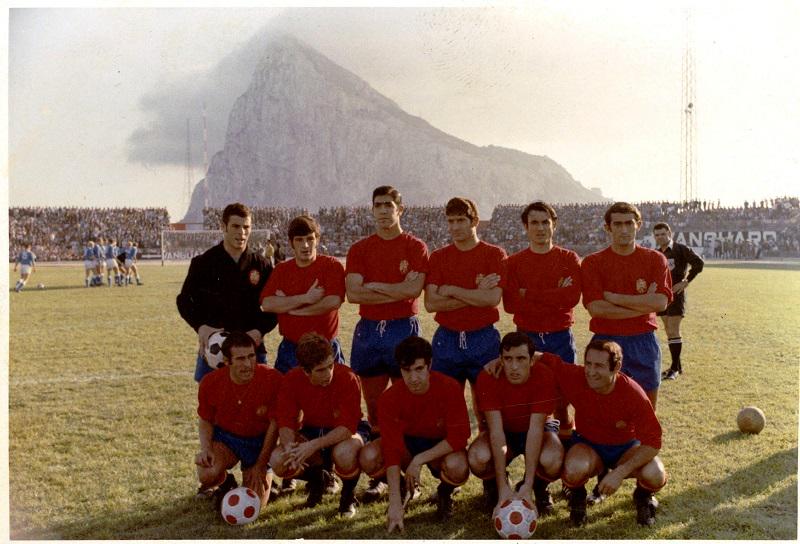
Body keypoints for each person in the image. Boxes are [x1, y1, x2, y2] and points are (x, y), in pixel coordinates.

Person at [345, 186, 429, 501]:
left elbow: (413, 291)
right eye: (377, 205)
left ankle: (411, 477)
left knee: (407, 403)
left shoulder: (415, 246)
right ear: (372, 210)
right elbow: (354, 294)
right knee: (376, 407)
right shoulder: (360, 248)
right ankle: (381, 477)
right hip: (369, 331)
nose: (382, 210)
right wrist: (395, 289)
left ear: (400, 209)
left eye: (388, 205)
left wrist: (376, 286)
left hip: (402, 328)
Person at [539, 340, 667, 527]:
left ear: (616, 367)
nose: (591, 371)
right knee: (574, 468)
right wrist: (497, 362)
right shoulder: (576, 376)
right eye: (588, 363)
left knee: (656, 473)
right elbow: (544, 359)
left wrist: (620, 472)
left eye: (599, 365)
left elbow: (654, 441)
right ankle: (578, 498)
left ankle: (643, 496)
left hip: (625, 449)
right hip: (588, 446)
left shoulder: (633, 393)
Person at [358, 336, 471, 531]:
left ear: (430, 365)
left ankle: (445, 492)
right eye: (406, 371)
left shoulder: (449, 387)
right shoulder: (390, 398)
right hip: (407, 446)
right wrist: (393, 502)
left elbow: (459, 436)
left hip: (438, 446)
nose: (413, 378)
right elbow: (392, 450)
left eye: (419, 369)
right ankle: (403, 488)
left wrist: (419, 460)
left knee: (458, 466)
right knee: (369, 456)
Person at [580, 202, 672, 409]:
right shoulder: (593, 262)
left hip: (643, 340)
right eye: (618, 224)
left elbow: (660, 302)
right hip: (604, 341)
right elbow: (596, 309)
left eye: (629, 223)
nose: (624, 229)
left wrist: (613, 297)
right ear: (607, 228)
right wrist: (643, 306)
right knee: (603, 410)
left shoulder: (655, 259)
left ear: (638, 225)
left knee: (646, 410)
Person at [503, 201, 582, 440]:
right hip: (527, 337)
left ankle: (566, 451)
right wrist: (553, 294)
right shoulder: (514, 263)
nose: (540, 228)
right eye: (534, 223)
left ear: (554, 225)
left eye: (545, 222)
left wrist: (530, 294)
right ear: (526, 227)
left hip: (560, 337)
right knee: (531, 404)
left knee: (564, 405)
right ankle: (539, 461)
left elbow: (570, 298)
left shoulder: (568, 258)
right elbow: (511, 304)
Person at [269, 333, 369, 517]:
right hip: (313, 429)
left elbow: (347, 428)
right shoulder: (291, 379)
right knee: (278, 460)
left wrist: (312, 445)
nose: (329, 373)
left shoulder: (348, 377)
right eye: (321, 370)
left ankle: (347, 496)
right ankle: (319, 479)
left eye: (330, 366)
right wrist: (290, 446)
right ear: (305, 371)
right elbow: (286, 421)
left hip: (346, 431)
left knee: (344, 454)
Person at [177, 202, 278, 384]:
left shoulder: (261, 265)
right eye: (236, 226)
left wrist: (260, 330)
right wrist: (200, 326)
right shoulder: (204, 262)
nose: (242, 232)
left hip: (252, 349)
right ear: (223, 227)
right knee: (213, 410)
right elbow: (184, 300)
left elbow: (275, 306)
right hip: (215, 350)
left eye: (246, 227)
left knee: (257, 407)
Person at [468, 332, 563, 515]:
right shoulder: (489, 377)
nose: (514, 366)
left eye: (521, 359)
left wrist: (528, 483)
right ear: (501, 360)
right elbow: (496, 432)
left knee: (553, 459)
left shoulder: (544, 375)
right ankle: (496, 487)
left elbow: (535, 430)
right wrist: (503, 485)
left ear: (532, 360)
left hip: (539, 430)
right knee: (477, 456)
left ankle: (537, 486)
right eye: (508, 359)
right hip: (505, 431)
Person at [424, 197, 506, 400]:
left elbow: (492, 299)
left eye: (460, 220)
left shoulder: (494, 254)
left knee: (487, 405)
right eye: (450, 221)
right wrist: (476, 292)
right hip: (447, 337)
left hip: (483, 337)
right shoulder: (438, 257)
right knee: (445, 404)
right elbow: (431, 303)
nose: (455, 226)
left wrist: (451, 289)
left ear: (475, 221)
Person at [195, 331, 282, 512]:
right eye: (240, 358)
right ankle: (226, 483)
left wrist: (260, 465)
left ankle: (265, 478)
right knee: (207, 473)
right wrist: (206, 449)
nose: (248, 364)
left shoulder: (272, 378)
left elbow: (275, 426)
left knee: (254, 505)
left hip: (260, 442)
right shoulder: (210, 382)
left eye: (251, 356)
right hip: (228, 439)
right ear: (227, 361)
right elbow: (205, 420)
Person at [260, 215, 347, 374]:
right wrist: (306, 298)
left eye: (310, 239)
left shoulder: (332, 265)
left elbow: (333, 301)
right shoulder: (282, 270)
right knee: (289, 397)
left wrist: (291, 308)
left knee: (329, 396)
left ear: (318, 240)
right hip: (292, 347)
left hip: (326, 346)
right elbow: (267, 304)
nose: (305, 245)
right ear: (291, 242)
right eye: (299, 239)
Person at [653, 222, 704, 380]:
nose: (660, 237)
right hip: (662, 296)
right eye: (657, 235)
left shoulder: (680, 249)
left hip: (676, 294)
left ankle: (674, 368)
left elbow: (699, 264)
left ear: (670, 233)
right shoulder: (655, 253)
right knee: (668, 330)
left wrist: (686, 281)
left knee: (674, 329)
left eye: (663, 234)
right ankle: (677, 366)